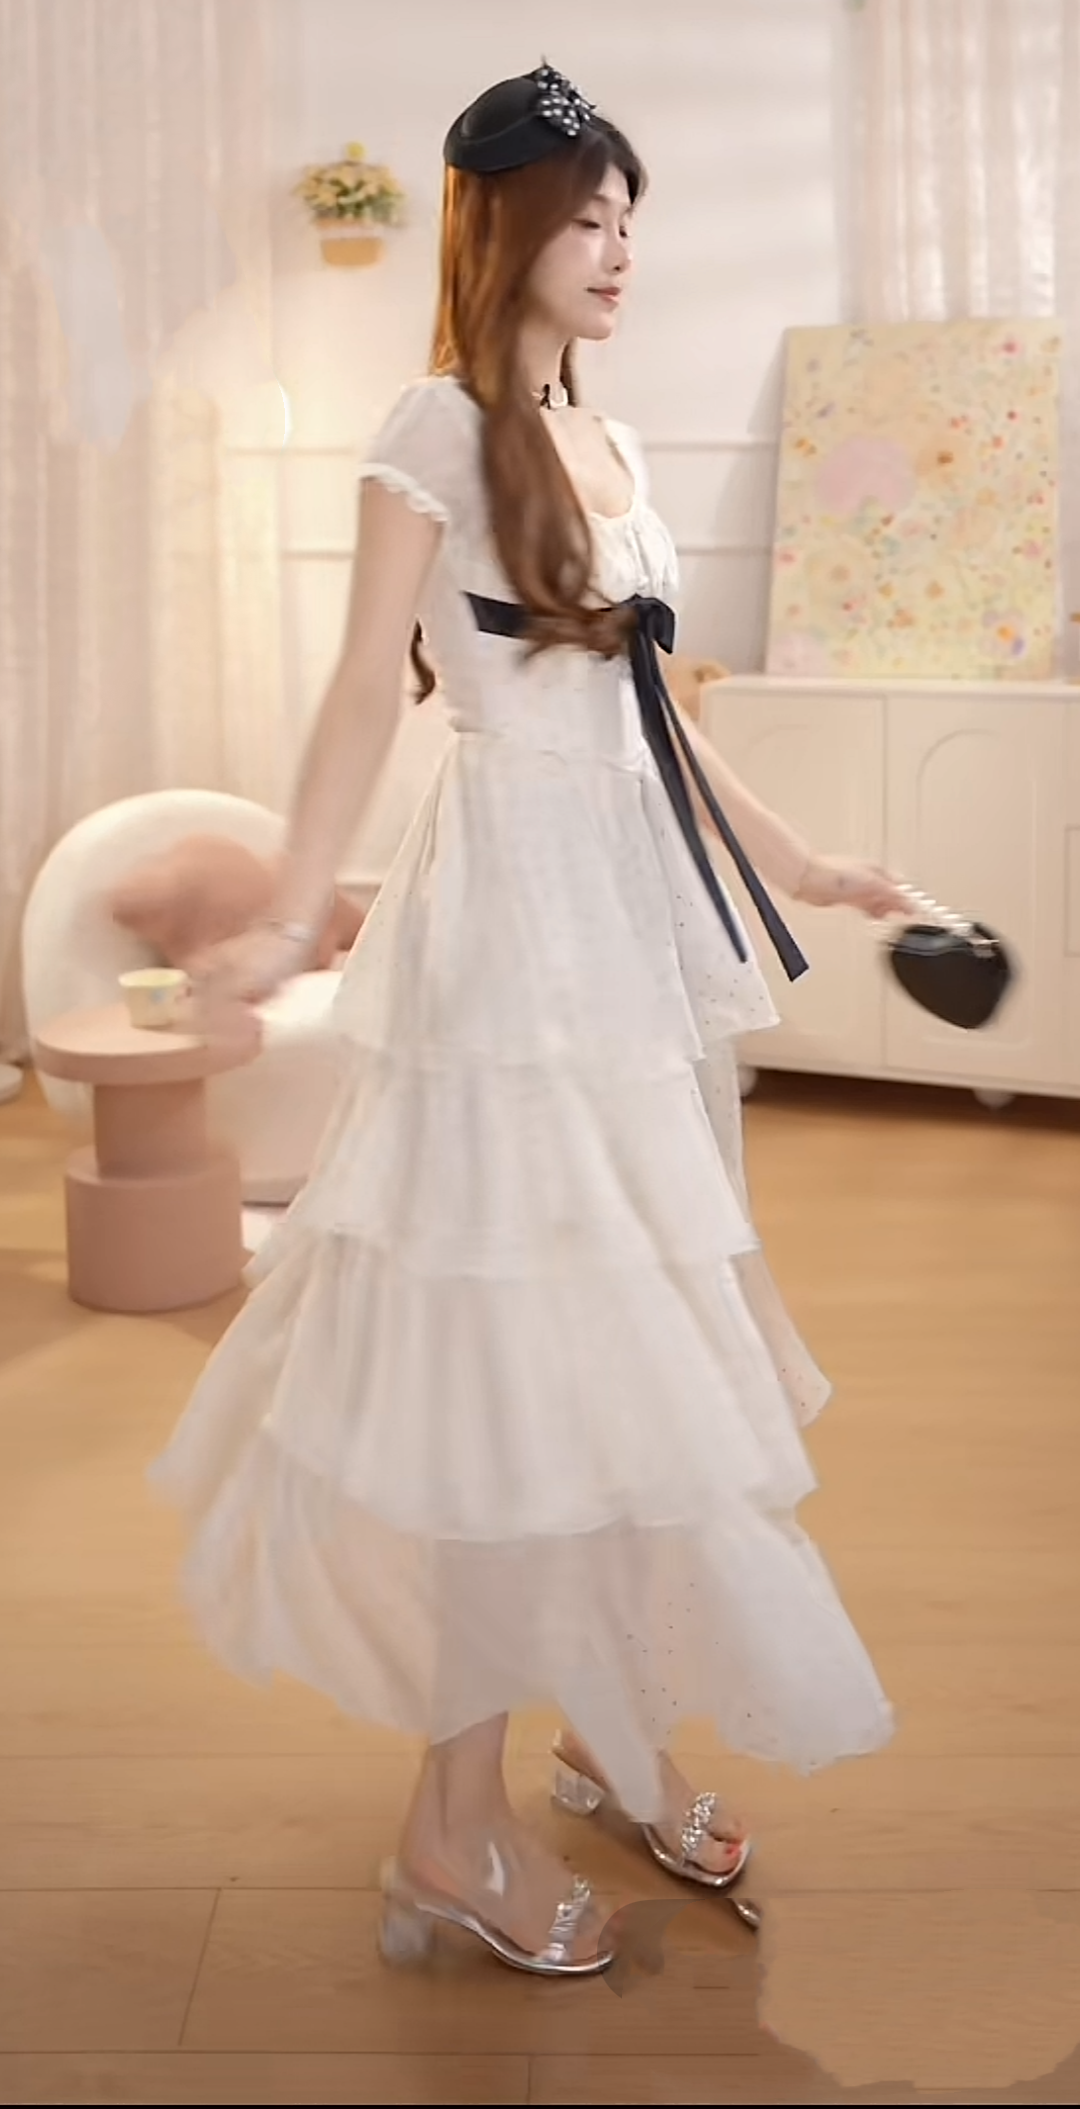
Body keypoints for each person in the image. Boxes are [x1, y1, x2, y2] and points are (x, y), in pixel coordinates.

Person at [152, 63, 901, 1980]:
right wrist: (288, 907)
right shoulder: (441, 427)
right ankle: (447, 1827)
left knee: (631, 1335)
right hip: (507, 949)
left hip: (630, 943)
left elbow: (657, 725)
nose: (621, 249)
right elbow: (361, 692)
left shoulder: (615, 439)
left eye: (632, 218)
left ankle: (610, 1728)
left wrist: (807, 864)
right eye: (587, 218)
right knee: (517, 1353)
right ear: (501, 231)